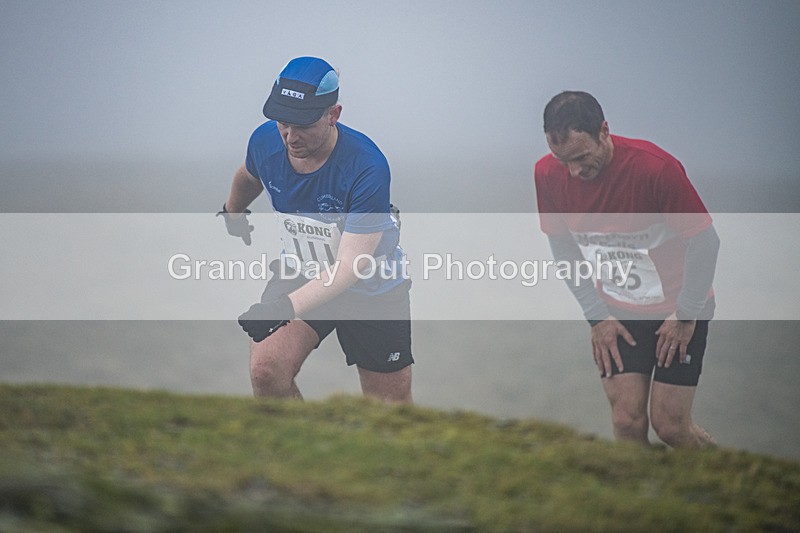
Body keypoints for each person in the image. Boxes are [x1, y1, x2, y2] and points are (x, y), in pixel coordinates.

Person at [218, 56, 412, 403]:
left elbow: (352, 265)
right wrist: (233, 212)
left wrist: (282, 308)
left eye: (303, 125)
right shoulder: (266, 142)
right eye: (283, 123)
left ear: (333, 114)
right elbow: (248, 176)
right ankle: (302, 451)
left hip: (372, 287)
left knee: (388, 412)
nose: (290, 137)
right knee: (266, 371)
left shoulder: (367, 166)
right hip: (302, 273)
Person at [534, 91, 720, 448]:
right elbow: (563, 248)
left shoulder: (656, 169)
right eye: (563, 161)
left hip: (680, 307)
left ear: (604, 131)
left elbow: (705, 242)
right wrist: (597, 318)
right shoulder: (545, 173)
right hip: (617, 310)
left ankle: (726, 481)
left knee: (670, 427)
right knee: (627, 422)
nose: (574, 171)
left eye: (582, 157)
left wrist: (685, 315)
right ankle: (641, 501)